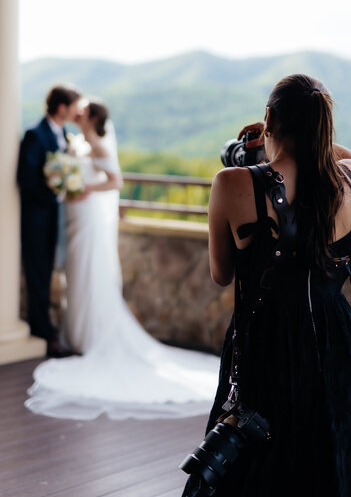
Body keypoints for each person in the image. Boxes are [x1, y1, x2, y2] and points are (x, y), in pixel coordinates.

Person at [181, 74, 351, 497]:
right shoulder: (350, 180)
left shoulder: (232, 183)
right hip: (336, 339)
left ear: (269, 118)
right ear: (322, 125)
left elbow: (222, 274)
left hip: (268, 340)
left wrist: (263, 138)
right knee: (330, 457)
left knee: (255, 461)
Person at [25, 98, 220, 420]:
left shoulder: (99, 143)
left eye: (82, 111)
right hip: (77, 217)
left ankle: (91, 335)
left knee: (90, 272)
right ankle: (76, 333)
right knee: (77, 274)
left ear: (92, 118)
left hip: (88, 217)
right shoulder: (80, 142)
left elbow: (115, 181)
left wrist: (85, 188)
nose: (77, 113)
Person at [17, 84, 82, 357]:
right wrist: (54, 188)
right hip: (36, 218)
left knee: (48, 272)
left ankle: (45, 328)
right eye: (73, 106)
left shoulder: (64, 135)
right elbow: (26, 179)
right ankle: (41, 331)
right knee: (37, 273)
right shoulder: (35, 134)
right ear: (61, 107)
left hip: (54, 217)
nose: (76, 112)